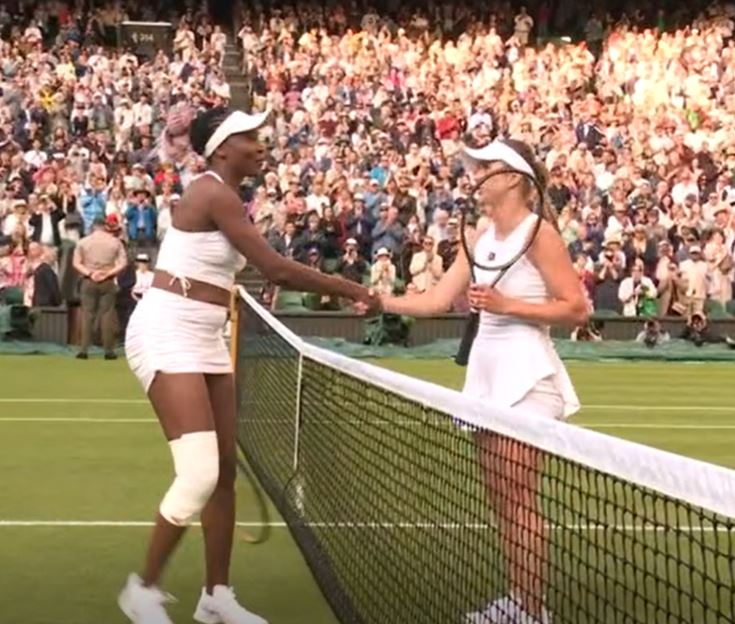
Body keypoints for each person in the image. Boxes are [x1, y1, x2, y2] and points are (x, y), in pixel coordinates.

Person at [120, 106, 379, 624]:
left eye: (261, 136)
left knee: (223, 478)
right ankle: (141, 590)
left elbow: (251, 270)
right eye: (249, 138)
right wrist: (353, 288)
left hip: (208, 334)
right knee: (197, 475)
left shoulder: (228, 196)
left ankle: (216, 597)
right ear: (220, 148)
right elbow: (275, 266)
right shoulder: (211, 190)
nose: (262, 144)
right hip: (166, 330)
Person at [378, 139, 587, 624]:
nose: (478, 173)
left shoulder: (539, 235)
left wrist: (506, 305)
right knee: (503, 498)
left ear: (515, 178)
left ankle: (533, 612)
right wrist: (376, 300)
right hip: (487, 376)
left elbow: (576, 307)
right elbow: (434, 302)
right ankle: (519, 600)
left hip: (527, 376)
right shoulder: (479, 237)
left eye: (488, 166)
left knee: (519, 495)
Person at [72, 217, 128, 360]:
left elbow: (76, 263)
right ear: (105, 226)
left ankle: (84, 350)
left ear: (93, 226)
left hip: (89, 279)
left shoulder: (83, 242)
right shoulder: (115, 242)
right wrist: (108, 273)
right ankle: (108, 351)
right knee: (107, 314)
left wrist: (90, 273)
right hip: (107, 280)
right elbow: (123, 263)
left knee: (87, 315)